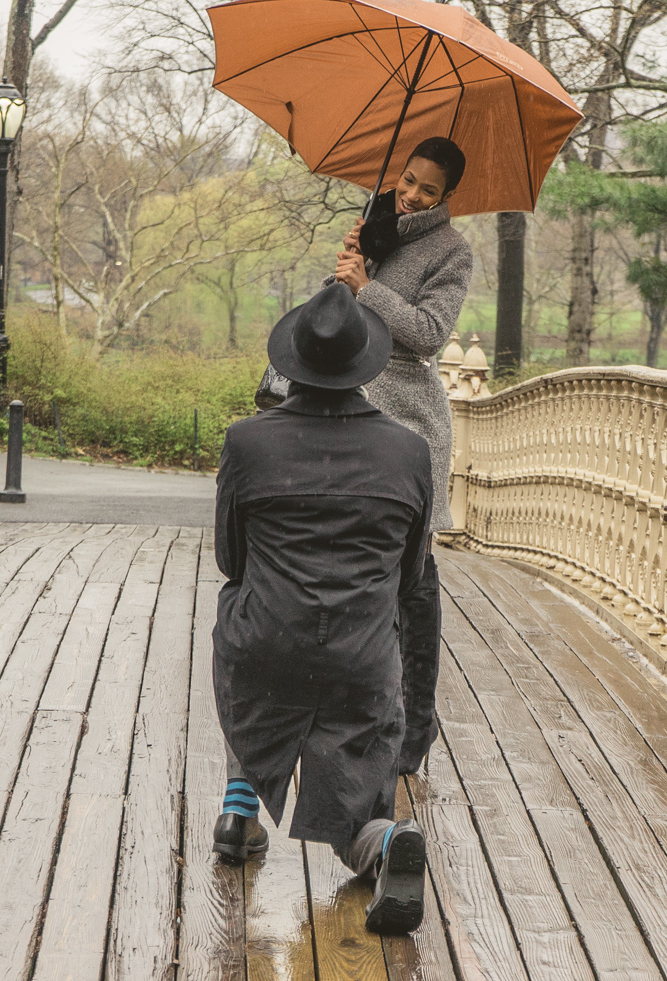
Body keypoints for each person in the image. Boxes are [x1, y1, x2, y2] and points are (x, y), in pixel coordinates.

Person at [211, 282, 434, 934]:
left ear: (293, 363)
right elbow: (412, 574)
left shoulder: (248, 442)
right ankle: (384, 843)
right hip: (360, 660)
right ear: (366, 364)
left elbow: (232, 558)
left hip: (267, 646)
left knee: (239, 613)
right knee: (356, 802)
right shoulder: (409, 450)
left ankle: (239, 805)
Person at [334, 136, 472, 775]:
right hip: (351, 416)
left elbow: (426, 335)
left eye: (428, 189)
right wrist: (345, 275)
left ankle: (414, 726)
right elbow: (338, 319)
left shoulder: (452, 251)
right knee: (358, 567)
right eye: (408, 180)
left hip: (410, 424)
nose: (411, 194)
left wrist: (368, 288)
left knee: (411, 577)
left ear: (447, 198)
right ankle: (361, 711)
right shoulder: (373, 227)